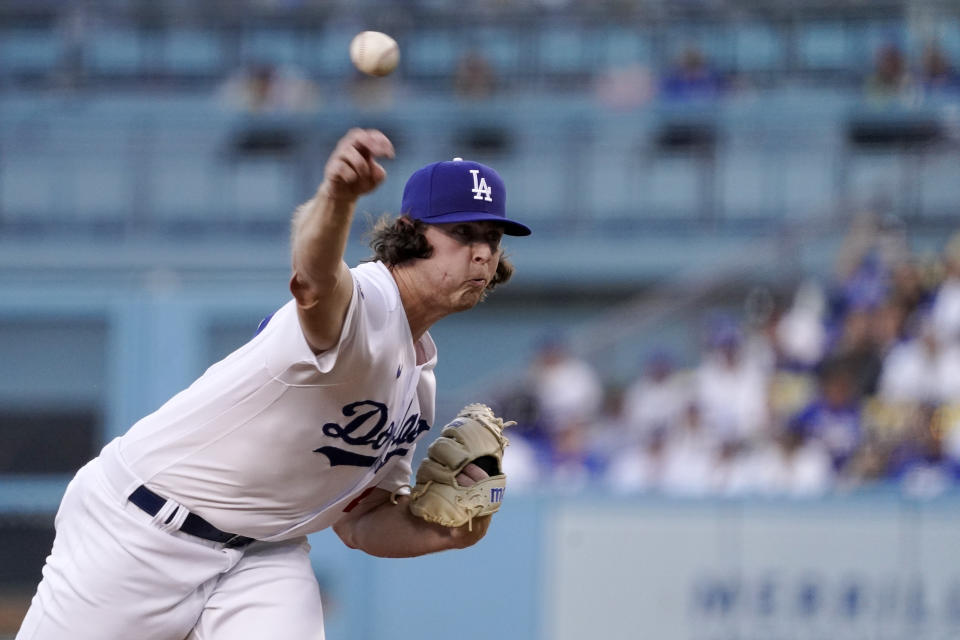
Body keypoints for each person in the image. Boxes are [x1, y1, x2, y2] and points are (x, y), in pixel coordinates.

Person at [17, 128, 531, 640]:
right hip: (142, 528)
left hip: (263, 552)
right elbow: (314, 280)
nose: (482, 252)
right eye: (462, 233)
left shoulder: (418, 387)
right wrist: (335, 200)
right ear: (411, 231)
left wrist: (448, 531)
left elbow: (361, 521)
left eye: (491, 237)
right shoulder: (367, 304)